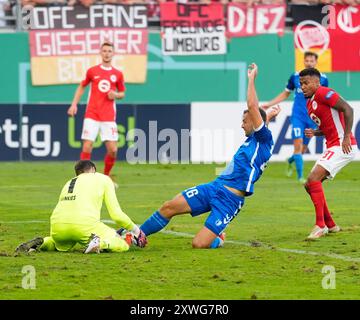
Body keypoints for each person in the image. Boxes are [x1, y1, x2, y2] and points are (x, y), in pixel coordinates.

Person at [139, 63, 281, 249]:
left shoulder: (264, 139)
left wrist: (251, 78)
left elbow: (253, 106)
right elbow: (259, 116)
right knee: (169, 206)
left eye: (245, 121)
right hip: (215, 187)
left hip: (230, 201)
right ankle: (137, 235)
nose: (241, 125)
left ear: (255, 122)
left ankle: (218, 237)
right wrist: (269, 115)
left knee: (198, 244)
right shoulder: (255, 137)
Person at [15, 160, 147, 254]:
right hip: (84, 225)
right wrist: (137, 231)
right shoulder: (103, 178)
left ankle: (42, 242)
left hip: (57, 226)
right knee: (122, 244)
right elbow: (116, 215)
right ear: (94, 170)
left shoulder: (69, 182)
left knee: (56, 245)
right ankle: (99, 243)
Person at [299, 68, 358, 239]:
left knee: (312, 179)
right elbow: (328, 127)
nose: (303, 87)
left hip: (342, 145)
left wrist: (347, 136)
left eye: (306, 83)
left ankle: (320, 225)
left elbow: (348, 109)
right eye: (301, 83)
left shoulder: (324, 93)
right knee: (309, 184)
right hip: (333, 145)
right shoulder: (310, 103)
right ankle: (331, 225)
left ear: (317, 83)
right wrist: (316, 133)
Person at [262, 52, 329, 183]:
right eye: (307, 60)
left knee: (302, 150)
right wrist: (270, 104)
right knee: (297, 146)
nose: (309, 63)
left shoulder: (323, 79)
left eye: (312, 61)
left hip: (312, 118)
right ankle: (300, 178)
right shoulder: (295, 77)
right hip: (297, 116)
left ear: (316, 62)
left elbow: (324, 98)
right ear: (303, 61)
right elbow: (285, 94)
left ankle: (290, 160)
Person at [67, 42, 125, 184]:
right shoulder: (92, 71)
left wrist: (115, 95)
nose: (106, 53)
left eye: (109, 51)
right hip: (92, 114)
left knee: (113, 150)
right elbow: (82, 86)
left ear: (113, 53)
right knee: (87, 146)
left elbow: (122, 93)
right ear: (100, 53)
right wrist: (74, 104)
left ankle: (106, 176)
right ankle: (82, 178)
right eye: (104, 50)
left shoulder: (117, 74)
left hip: (108, 116)